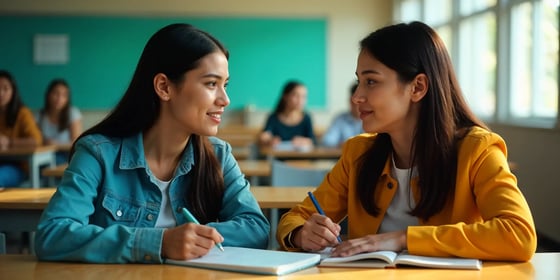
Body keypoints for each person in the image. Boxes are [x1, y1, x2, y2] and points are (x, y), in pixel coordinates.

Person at [277, 21, 536, 262]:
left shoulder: (478, 149)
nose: (357, 96)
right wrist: (301, 233)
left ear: (418, 87)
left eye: (371, 81)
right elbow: (295, 218)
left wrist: (402, 239)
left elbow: (519, 234)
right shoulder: (358, 152)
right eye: (359, 82)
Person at [34, 23, 270, 263]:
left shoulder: (218, 155)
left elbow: (255, 228)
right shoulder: (97, 153)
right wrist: (161, 242)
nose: (225, 99)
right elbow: (53, 234)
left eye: (225, 85)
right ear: (164, 87)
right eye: (211, 84)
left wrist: (195, 239)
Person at [0, 70, 43, 187]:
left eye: (5, 89)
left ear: (13, 91)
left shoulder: (22, 113)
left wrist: (9, 142)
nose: (1, 93)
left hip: (18, 166)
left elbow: (36, 140)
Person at [36, 78, 83, 164]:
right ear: (48, 95)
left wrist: (55, 144)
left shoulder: (72, 113)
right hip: (43, 154)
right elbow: (36, 139)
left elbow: (76, 143)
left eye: (64, 95)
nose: (59, 98)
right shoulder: (40, 115)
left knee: (53, 162)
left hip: (66, 155)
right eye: (56, 93)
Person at [258, 80, 316, 149]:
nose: (300, 100)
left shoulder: (306, 118)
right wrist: (268, 140)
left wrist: (305, 141)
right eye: (296, 95)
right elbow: (265, 136)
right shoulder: (273, 118)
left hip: (300, 158)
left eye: (304, 96)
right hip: (278, 157)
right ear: (285, 97)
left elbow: (312, 141)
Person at [321, 83, 363, 148]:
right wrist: (349, 145)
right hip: (343, 157)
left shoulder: (373, 120)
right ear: (351, 101)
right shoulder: (340, 119)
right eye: (359, 101)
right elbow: (327, 141)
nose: (362, 105)